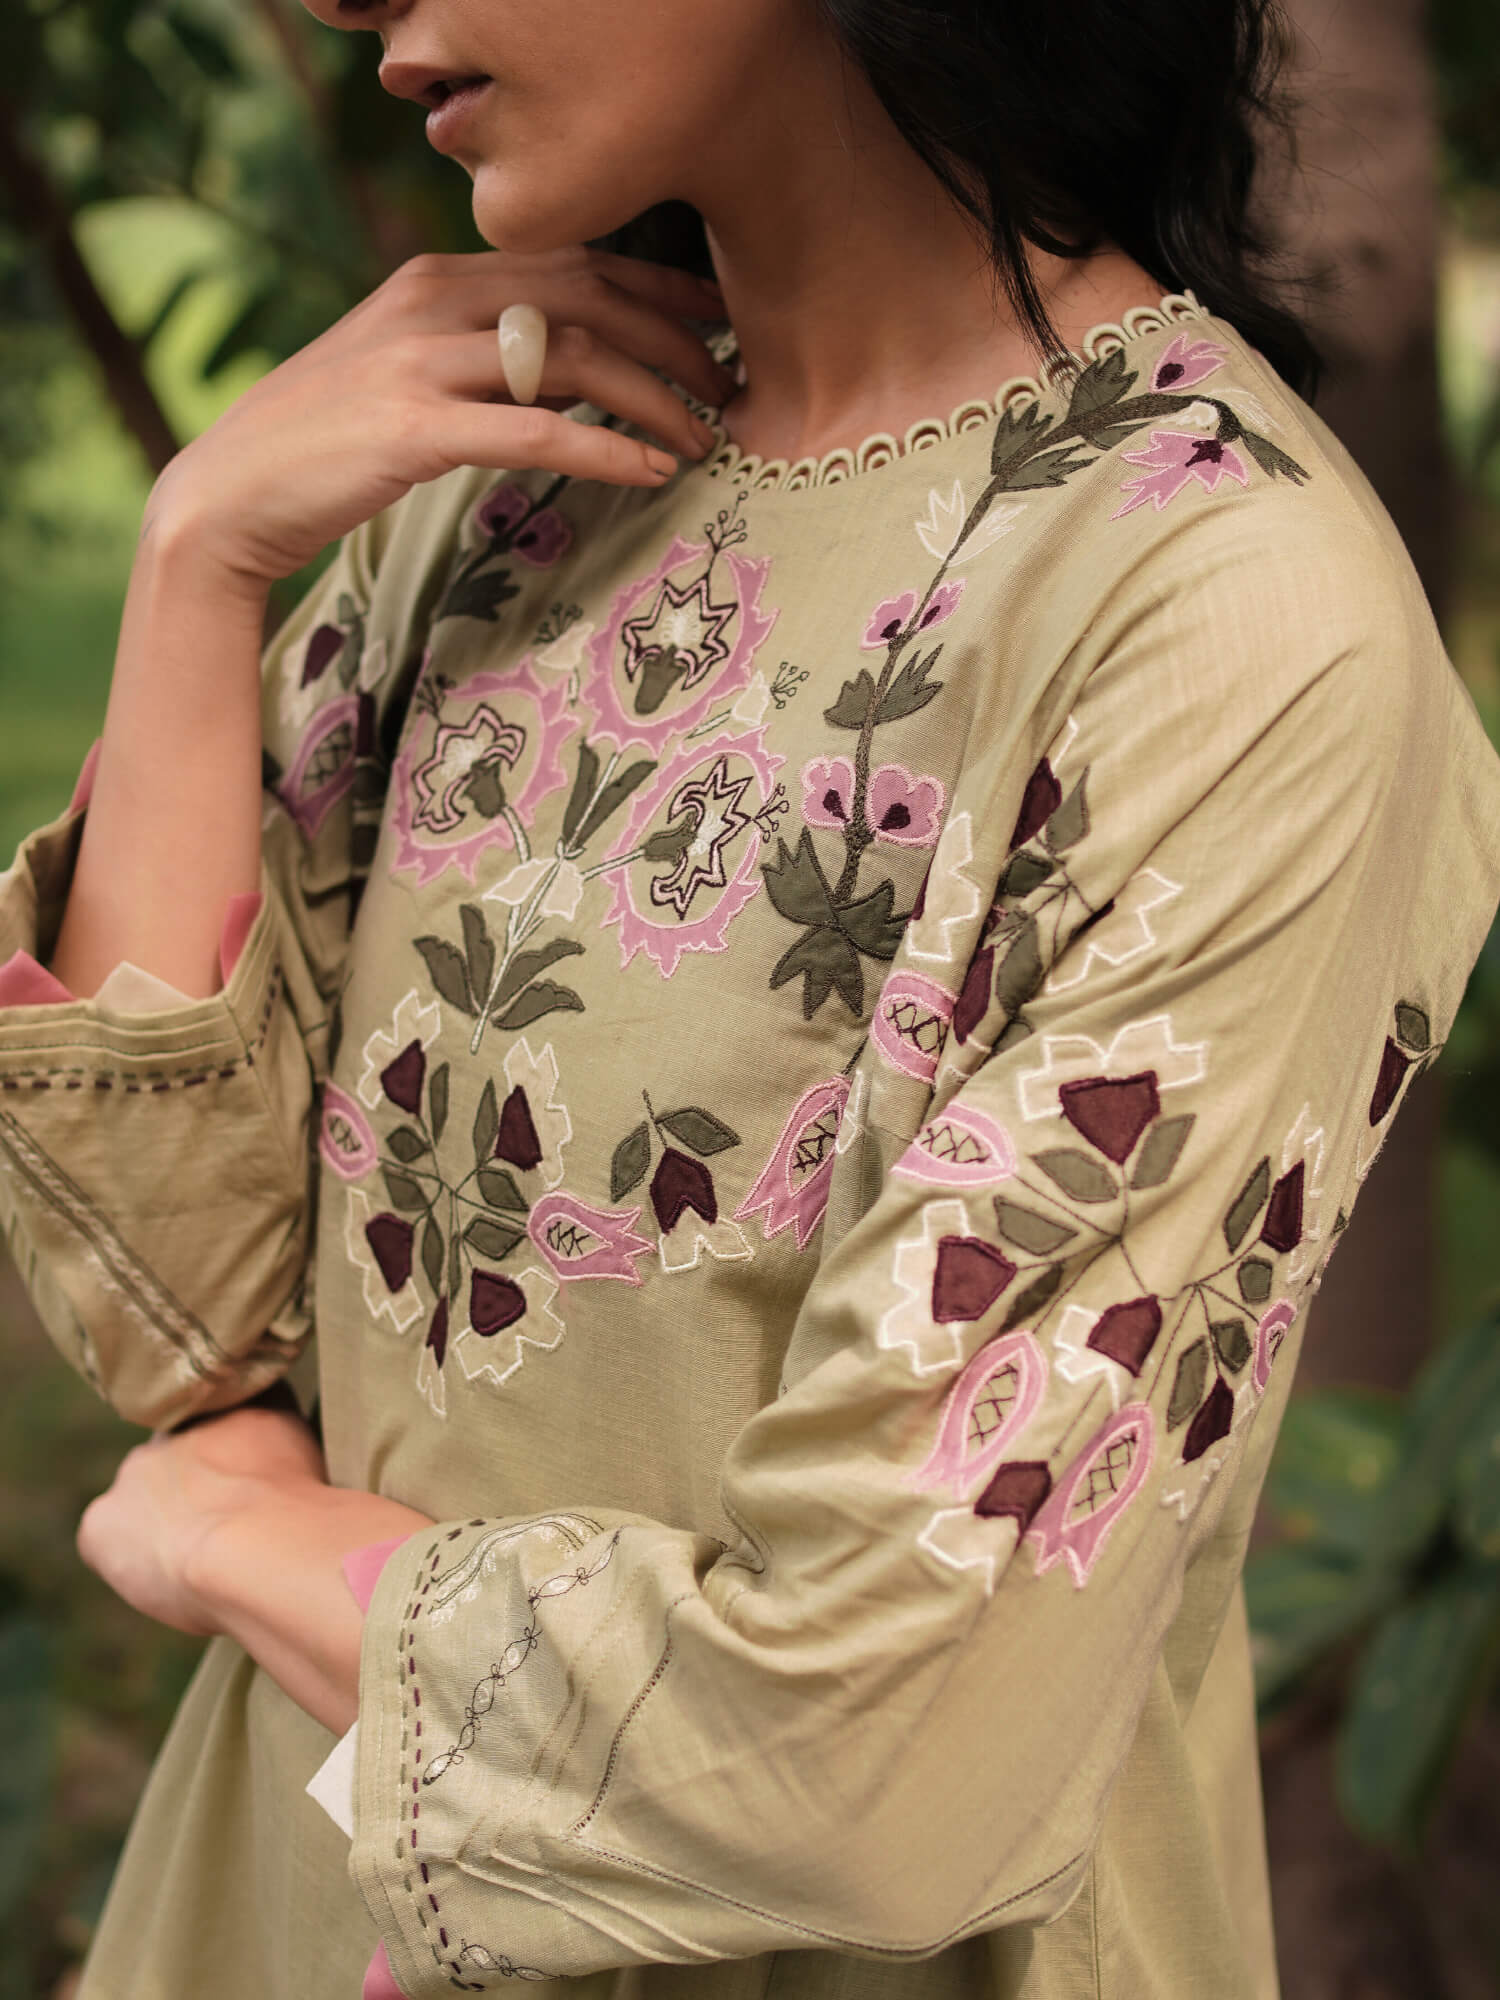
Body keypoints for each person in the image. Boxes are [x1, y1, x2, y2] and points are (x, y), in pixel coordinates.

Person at [1, 0, 1497, 1991]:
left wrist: (236, 1544)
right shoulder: (510, 480)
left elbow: (866, 1764)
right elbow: (172, 1312)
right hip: (270, 1910)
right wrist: (198, 561)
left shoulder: (1229, 629)